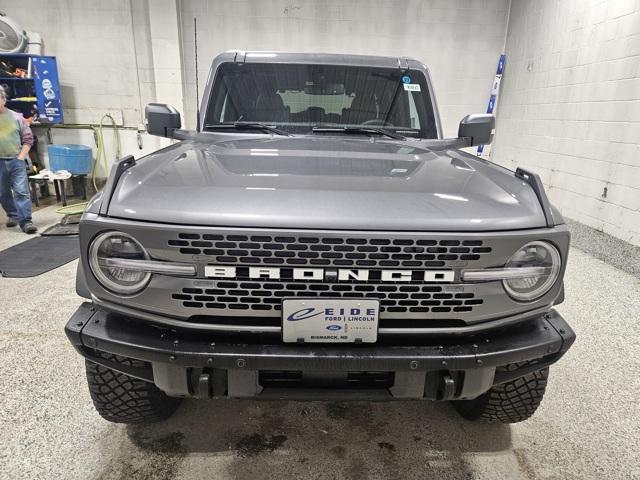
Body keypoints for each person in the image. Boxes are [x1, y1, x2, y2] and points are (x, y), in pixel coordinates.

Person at [0, 86, 36, 234]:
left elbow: (28, 139)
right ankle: (13, 215)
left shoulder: (16, 117)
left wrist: (21, 157)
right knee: (3, 192)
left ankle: (26, 221)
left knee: (21, 191)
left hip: (16, 160)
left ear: (3, 99)